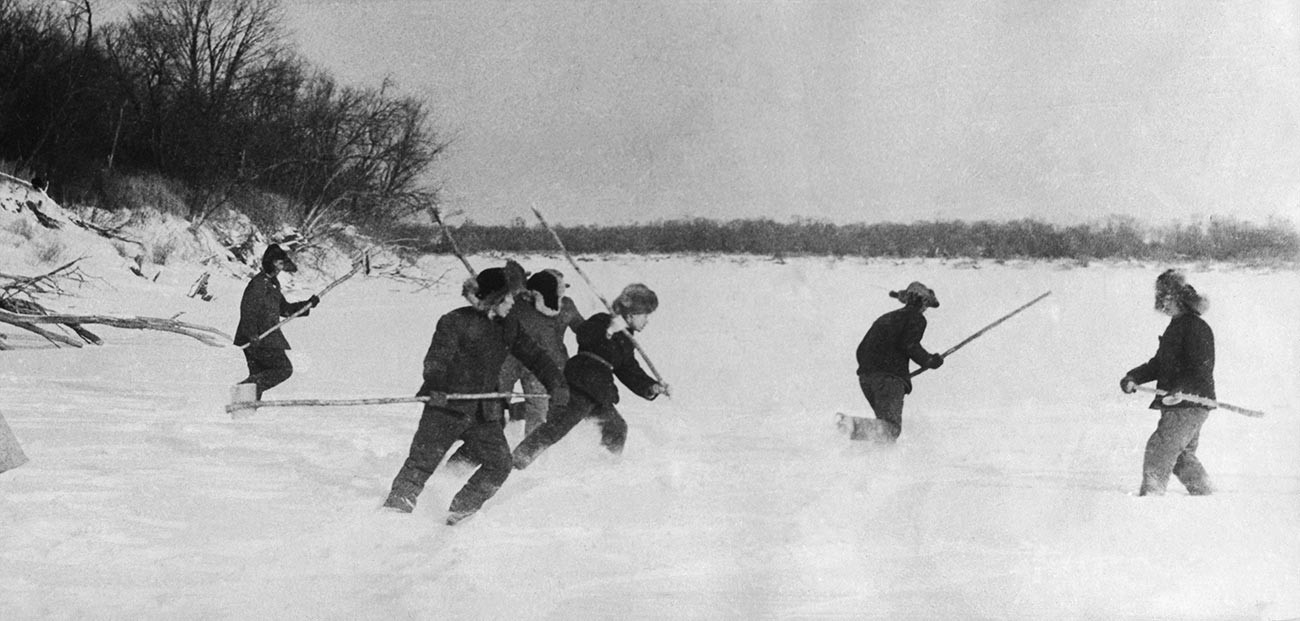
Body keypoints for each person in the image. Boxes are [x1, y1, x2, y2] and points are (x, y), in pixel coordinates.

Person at [383, 266, 569, 524]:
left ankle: (460, 512)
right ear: (494, 299)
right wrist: (436, 386)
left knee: (500, 464)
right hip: (446, 407)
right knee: (420, 464)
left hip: (484, 413)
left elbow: (536, 356)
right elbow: (436, 360)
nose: (513, 302)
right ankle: (393, 514)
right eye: (507, 298)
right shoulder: (454, 321)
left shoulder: (508, 326)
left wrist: (556, 384)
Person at [512, 283, 669, 470]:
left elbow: (629, 370)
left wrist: (651, 387)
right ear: (632, 313)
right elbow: (585, 336)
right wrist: (610, 329)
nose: (646, 321)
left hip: (600, 391)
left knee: (616, 428)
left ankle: (608, 466)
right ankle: (518, 459)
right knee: (559, 425)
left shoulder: (627, 340)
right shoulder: (602, 320)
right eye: (645, 315)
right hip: (582, 380)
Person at [1120, 269, 1215, 496]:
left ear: (1181, 299)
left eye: (1168, 299)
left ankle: (1152, 494)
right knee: (1180, 454)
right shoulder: (1177, 326)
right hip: (1182, 402)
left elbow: (1200, 366)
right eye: (1161, 299)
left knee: (1160, 448)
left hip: (1188, 401)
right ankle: (1204, 492)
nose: (1164, 304)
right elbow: (1159, 364)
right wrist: (1134, 377)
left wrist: (1181, 390)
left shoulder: (1194, 327)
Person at [851, 281, 944, 443]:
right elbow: (910, 345)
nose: (925, 309)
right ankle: (853, 427)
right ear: (922, 302)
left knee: (882, 430)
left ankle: (878, 462)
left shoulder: (886, 318)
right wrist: (929, 360)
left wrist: (877, 371)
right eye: (926, 305)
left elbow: (861, 349)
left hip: (866, 379)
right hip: (889, 381)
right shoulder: (916, 318)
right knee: (890, 429)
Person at [498, 269, 585, 435]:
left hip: (544, 363)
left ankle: (531, 451)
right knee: (497, 400)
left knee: (539, 408)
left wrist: (606, 330)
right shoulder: (518, 303)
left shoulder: (566, 306)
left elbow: (583, 330)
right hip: (511, 359)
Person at [233, 244, 319, 399]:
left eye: (282, 264)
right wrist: (252, 335)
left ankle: (244, 412)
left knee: (258, 377)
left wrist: (307, 305)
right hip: (257, 338)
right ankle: (243, 391)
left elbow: (284, 309)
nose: (280, 268)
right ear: (270, 262)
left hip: (264, 337)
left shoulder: (273, 284)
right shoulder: (259, 284)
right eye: (278, 263)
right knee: (283, 368)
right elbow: (248, 311)